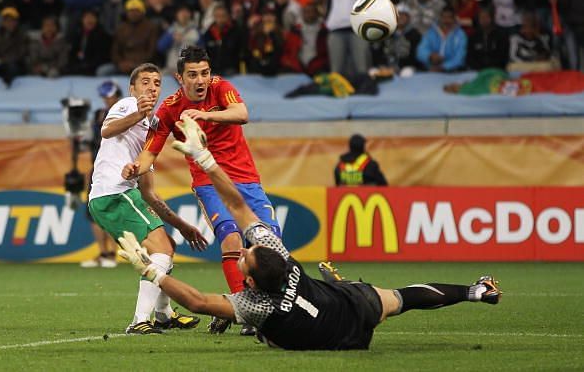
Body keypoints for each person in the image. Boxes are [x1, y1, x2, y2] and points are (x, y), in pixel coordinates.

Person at [118, 115, 503, 351]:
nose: (244, 254)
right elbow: (239, 206)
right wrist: (206, 158)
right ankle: (475, 291)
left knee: (275, 335)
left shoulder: (256, 305)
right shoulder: (277, 253)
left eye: (243, 260)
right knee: (401, 298)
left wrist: (154, 272)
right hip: (353, 306)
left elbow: (200, 302)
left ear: (248, 281)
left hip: (344, 336)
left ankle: (334, 293)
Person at [122, 46, 280, 337]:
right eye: (192, 75)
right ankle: (244, 312)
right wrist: (136, 167)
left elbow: (242, 113)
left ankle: (273, 305)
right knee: (231, 238)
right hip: (209, 183)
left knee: (270, 244)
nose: (200, 80)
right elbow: (150, 153)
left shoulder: (221, 88)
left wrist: (206, 117)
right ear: (179, 78)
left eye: (204, 73)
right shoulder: (169, 108)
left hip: (246, 179)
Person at [88, 63, 207, 335]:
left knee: (167, 246)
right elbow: (106, 130)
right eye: (145, 82)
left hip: (122, 195)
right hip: (113, 193)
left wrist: (182, 226)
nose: (151, 87)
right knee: (161, 250)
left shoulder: (149, 133)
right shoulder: (128, 105)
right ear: (132, 88)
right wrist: (138, 112)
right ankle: (139, 320)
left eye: (156, 83)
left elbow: (150, 194)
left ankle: (164, 313)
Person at [80, 80, 123, 269]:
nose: (107, 100)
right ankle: (103, 252)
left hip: (116, 168)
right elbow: (87, 141)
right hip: (97, 167)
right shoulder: (98, 115)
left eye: (110, 96)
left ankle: (113, 254)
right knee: (93, 210)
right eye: (104, 96)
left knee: (112, 211)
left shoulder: (125, 111)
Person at [416, 6, 468, 72]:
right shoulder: (431, 33)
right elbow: (420, 50)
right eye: (443, 17)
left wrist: (443, 67)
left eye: (449, 17)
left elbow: (460, 58)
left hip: (453, 72)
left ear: (454, 19)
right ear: (440, 18)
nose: (446, 21)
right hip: (430, 71)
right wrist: (430, 56)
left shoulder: (460, 35)